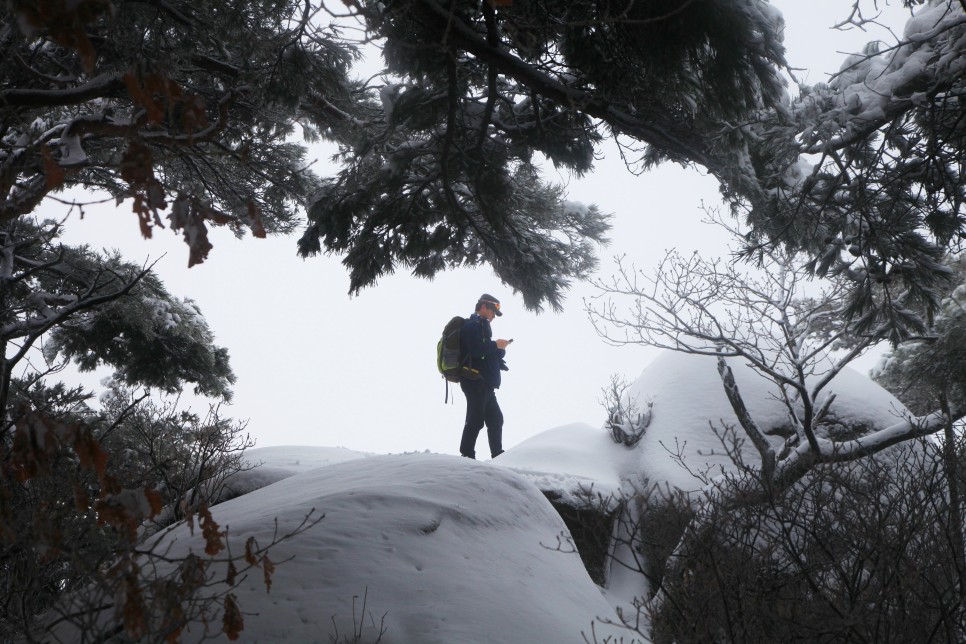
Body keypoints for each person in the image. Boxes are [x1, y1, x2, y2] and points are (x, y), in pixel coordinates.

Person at [459, 294, 511, 459]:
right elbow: (475, 350)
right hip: (475, 381)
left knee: (496, 419)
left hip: (485, 384)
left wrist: (499, 351)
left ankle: (498, 455)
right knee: (475, 419)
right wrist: (496, 345)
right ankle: (467, 456)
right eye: (493, 313)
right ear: (483, 307)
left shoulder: (481, 329)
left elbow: (483, 352)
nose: (494, 317)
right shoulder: (472, 325)